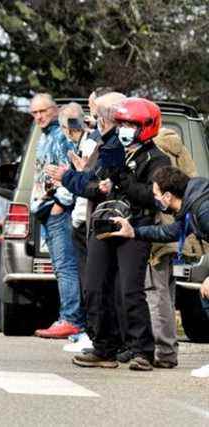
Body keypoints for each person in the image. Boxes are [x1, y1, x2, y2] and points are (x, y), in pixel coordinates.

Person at [57, 97, 169, 371]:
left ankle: (141, 349)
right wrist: (88, 182)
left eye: (131, 124)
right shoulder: (111, 150)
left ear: (145, 126)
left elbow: (151, 197)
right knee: (94, 287)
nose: (125, 129)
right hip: (103, 225)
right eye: (122, 123)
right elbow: (94, 182)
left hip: (134, 228)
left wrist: (121, 178)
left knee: (129, 290)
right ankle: (103, 346)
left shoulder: (157, 159)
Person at [108, 166, 209, 376]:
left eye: (156, 194)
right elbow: (169, 231)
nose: (155, 199)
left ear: (168, 196)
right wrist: (134, 232)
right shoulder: (192, 205)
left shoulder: (202, 208)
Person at [28, 93, 85, 339]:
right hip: (45, 208)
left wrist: (60, 203)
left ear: (55, 110)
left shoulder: (62, 135)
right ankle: (67, 317)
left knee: (66, 266)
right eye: (34, 113)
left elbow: (71, 169)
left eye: (43, 111)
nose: (39, 116)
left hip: (58, 209)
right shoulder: (44, 137)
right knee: (60, 267)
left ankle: (71, 319)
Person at [58, 102, 96, 351]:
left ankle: (91, 333)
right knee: (85, 279)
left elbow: (87, 183)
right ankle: (89, 331)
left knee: (90, 281)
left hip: (87, 218)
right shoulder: (82, 144)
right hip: (80, 218)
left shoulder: (90, 144)